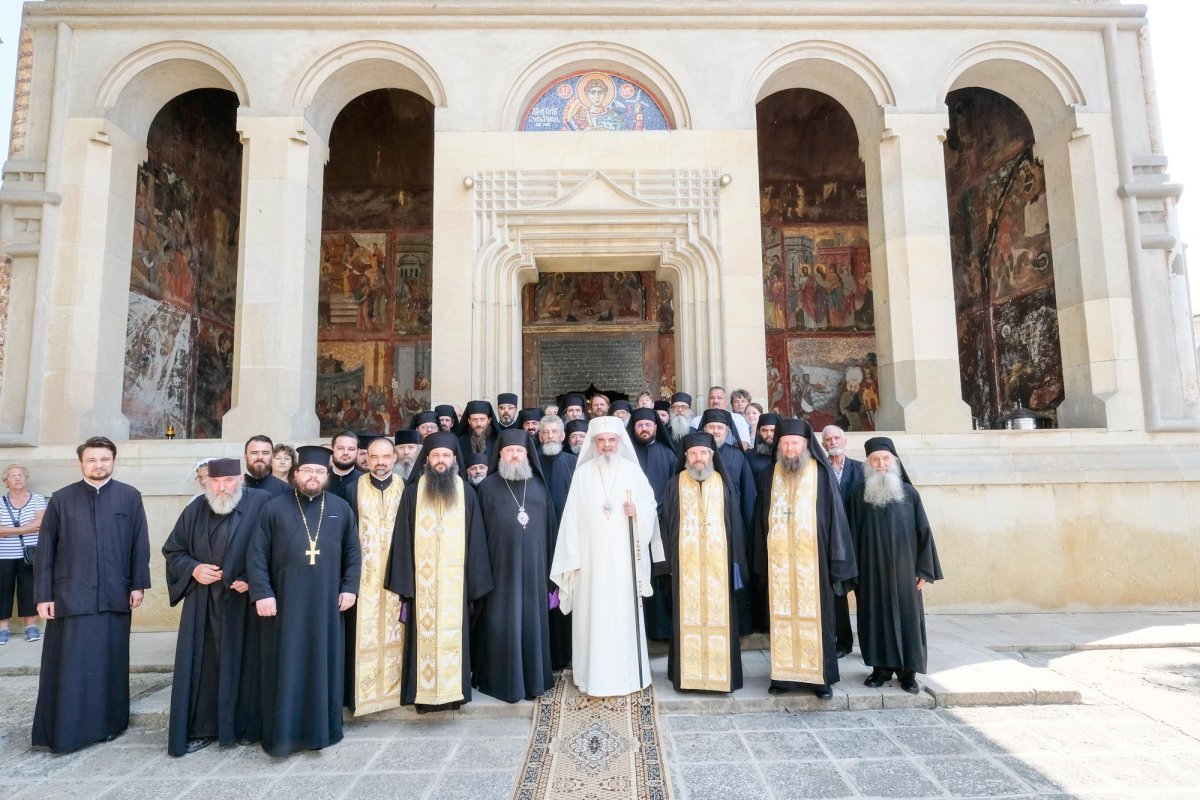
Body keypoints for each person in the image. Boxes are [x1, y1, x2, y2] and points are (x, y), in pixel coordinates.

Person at [32, 436, 152, 753]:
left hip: (115, 595)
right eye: (92, 460)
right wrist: (43, 595)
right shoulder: (61, 499)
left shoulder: (130, 496)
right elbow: (45, 552)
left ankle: (109, 725)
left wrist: (137, 584)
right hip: (71, 597)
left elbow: (140, 544)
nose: (99, 465)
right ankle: (69, 730)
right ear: (81, 463)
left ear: (113, 461)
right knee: (71, 666)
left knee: (110, 663)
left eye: (104, 459)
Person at [248, 445, 361, 756]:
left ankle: (323, 732)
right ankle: (283, 735)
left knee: (323, 664)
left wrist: (350, 588)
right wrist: (263, 593)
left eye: (319, 471)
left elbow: (353, 553)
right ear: (296, 474)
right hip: (284, 606)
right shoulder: (274, 508)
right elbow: (257, 554)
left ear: (327, 475)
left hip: (327, 605)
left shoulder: (340, 508)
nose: (313, 476)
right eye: (307, 471)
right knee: (286, 665)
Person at [162, 458, 271, 755]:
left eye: (229, 481)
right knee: (204, 667)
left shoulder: (263, 503)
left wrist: (253, 579)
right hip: (204, 602)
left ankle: (248, 727)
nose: (222, 488)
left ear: (241, 479)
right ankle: (203, 728)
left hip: (245, 603)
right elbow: (173, 550)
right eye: (216, 482)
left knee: (248, 665)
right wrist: (194, 569)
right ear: (207, 482)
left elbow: (277, 547)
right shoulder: (195, 509)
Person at [550, 417, 664, 696]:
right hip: (590, 564)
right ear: (593, 443)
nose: (607, 445)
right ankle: (591, 677)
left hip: (624, 561)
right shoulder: (582, 474)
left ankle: (628, 678)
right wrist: (572, 560)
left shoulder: (632, 471)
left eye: (612, 440)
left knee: (622, 618)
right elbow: (571, 521)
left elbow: (650, 506)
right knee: (593, 618)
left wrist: (638, 511)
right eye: (601, 441)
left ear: (620, 441)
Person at [386, 432, 493, 712]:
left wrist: (474, 584)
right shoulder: (413, 493)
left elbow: (477, 540)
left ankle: (453, 694)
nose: (441, 460)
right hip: (422, 588)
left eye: (446, 455)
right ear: (427, 459)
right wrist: (406, 584)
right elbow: (402, 539)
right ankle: (422, 695)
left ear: (455, 459)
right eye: (436, 455)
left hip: (455, 588)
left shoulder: (466, 492)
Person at [751, 419, 856, 699]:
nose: (789, 449)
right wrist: (761, 561)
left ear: (806, 444)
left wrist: (837, 562)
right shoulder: (769, 475)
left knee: (818, 621)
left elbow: (836, 520)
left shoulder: (821, 474)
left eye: (794, 443)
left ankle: (821, 679)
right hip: (780, 566)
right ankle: (782, 677)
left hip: (815, 564)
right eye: (785, 444)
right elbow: (760, 520)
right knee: (781, 620)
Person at [848, 437, 943, 694]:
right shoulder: (857, 494)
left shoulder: (909, 494)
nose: (881, 464)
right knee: (874, 619)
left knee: (908, 619)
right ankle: (879, 670)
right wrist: (852, 572)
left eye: (885, 459)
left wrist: (924, 570)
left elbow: (924, 532)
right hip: (870, 572)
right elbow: (850, 534)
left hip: (905, 572)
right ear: (868, 464)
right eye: (875, 460)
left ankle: (908, 673)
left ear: (894, 462)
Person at [660, 433, 748, 693]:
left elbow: (736, 526)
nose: (698, 458)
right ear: (686, 457)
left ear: (711, 456)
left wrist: (737, 566)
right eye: (693, 454)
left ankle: (722, 677)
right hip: (685, 568)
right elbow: (666, 525)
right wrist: (668, 565)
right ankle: (687, 676)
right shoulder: (675, 484)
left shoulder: (723, 484)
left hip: (719, 568)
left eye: (703, 453)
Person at [473, 429, 555, 702]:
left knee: (532, 621)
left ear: (527, 454)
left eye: (520, 451)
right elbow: (477, 534)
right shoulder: (487, 487)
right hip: (499, 571)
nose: (515, 455)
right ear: (500, 454)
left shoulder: (539, 486)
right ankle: (501, 682)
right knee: (500, 621)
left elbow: (550, 530)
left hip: (535, 570)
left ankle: (534, 681)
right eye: (510, 451)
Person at [343, 436, 406, 715]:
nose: (380, 462)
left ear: (394, 458)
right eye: (374, 457)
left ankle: (396, 692)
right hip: (363, 578)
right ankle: (361, 695)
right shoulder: (351, 489)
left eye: (386, 457)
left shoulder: (407, 488)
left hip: (396, 576)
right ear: (366, 458)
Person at [627, 408, 676, 641]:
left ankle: (660, 630)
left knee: (659, 573)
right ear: (633, 428)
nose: (644, 429)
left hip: (661, 524)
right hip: (630, 524)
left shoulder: (668, 454)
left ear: (656, 427)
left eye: (648, 425)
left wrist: (655, 512)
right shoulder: (626, 456)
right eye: (640, 425)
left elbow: (673, 489)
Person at [537, 413, 577, 670]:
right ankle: (545, 654)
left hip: (568, 540)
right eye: (546, 433)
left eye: (554, 432)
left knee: (567, 596)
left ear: (563, 436)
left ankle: (568, 653)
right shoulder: (533, 463)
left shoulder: (575, 463)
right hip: (539, 543)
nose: (550, 436)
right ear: (540, 437)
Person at [822, 424, 863, 658]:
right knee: (837, 593)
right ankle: (843, 642)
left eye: (837, 438)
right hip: (834, 542)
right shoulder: (820, 470)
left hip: (858, 539)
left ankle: (868, 643)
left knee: (864, 593)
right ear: (823, 444)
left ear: (845, 441)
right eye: (828, 439)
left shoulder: (861, 469)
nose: (833, 442)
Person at [0, 464, 47, 644]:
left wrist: (9, 531)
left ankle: (30, 627)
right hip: (4, 554)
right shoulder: (1, 502)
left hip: (30, 553)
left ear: (26, 479)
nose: (17, 478)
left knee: (29, 589)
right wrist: (26, 528)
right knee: (2, 590)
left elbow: (40, 523)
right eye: (12, 476)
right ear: (6, 482)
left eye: (20, 475)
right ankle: (3, 628)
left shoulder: (37, 499)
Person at [326, 430, 364, 500]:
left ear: (357, 451)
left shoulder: (366, 481)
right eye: (340, 448)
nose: (345, 453)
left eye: (351, 449)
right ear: (332, 449)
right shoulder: (322, 479)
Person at [746, 412, 780, 479]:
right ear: (759, 432)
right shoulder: (749, 457)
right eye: (764, 430)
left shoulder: (787, 455)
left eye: (772, 430)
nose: (769, 434)